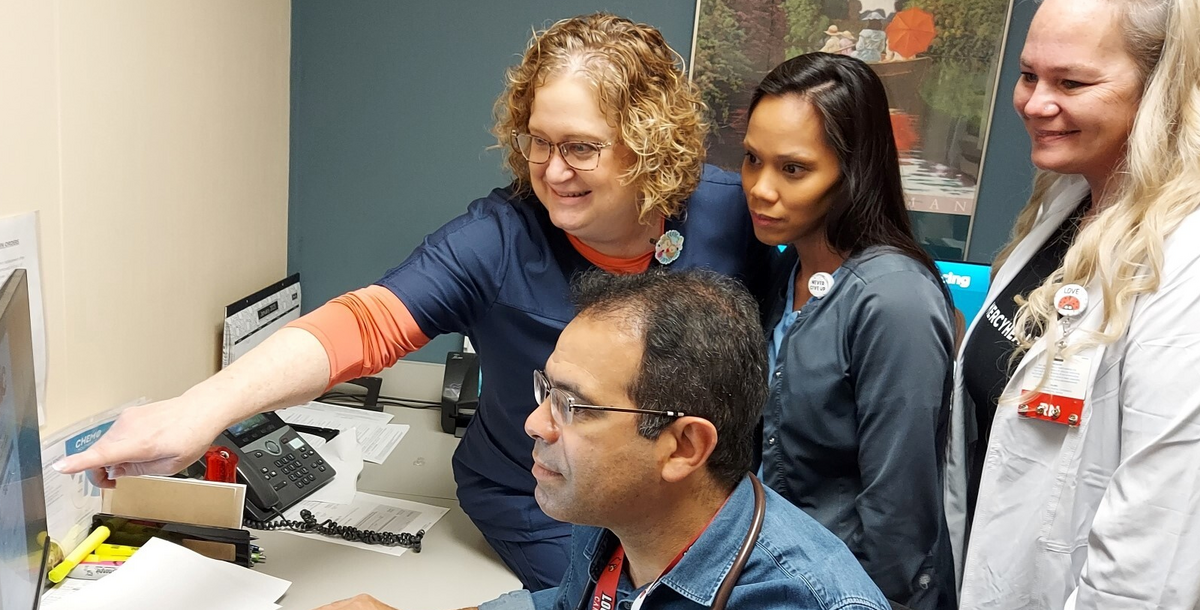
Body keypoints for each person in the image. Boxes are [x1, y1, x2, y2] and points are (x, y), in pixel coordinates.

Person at [53, 13, 773, 591]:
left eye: (582, 148)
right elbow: (362, 325)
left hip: (697, 493)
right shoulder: (498, 237)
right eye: (537, 142)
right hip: (547, 497)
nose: (553, 172)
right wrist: (197, 411)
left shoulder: (731, 216)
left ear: (647, 144)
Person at [312, 270, 890, 610]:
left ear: (684, 447)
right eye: (546, 392)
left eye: (574, 406)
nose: (535, 425)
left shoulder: (811, 601)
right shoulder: (619, 518)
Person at [944, 0, 1200, 607]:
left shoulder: (1184, 256)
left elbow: (1153, 540)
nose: (1034, 104)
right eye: (1029, 74)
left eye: (1072, 82)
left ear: (1161, 85)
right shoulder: (1068, 200)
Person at [741, 53, 955, 610]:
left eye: (793, 169)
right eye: (751, 160)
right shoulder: (787, 270)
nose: (760, 188)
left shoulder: (893, 300)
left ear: (853, 170)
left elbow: (900, 518)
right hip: (772, 577)